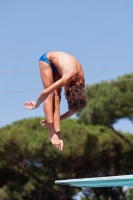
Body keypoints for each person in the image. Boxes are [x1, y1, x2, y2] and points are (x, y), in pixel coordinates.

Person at [24, 51, 87, 151]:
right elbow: (45, 92)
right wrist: (36, 105)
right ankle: (52, 132)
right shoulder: (67, 78)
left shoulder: (81, 84)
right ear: (70, 89)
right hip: (47, 61)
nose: (64, 91)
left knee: (57, 98)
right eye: (67, 94)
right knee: (51, 94)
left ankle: (58, 132)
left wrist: (60, 118)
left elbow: (76, 108)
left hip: (60, 67)